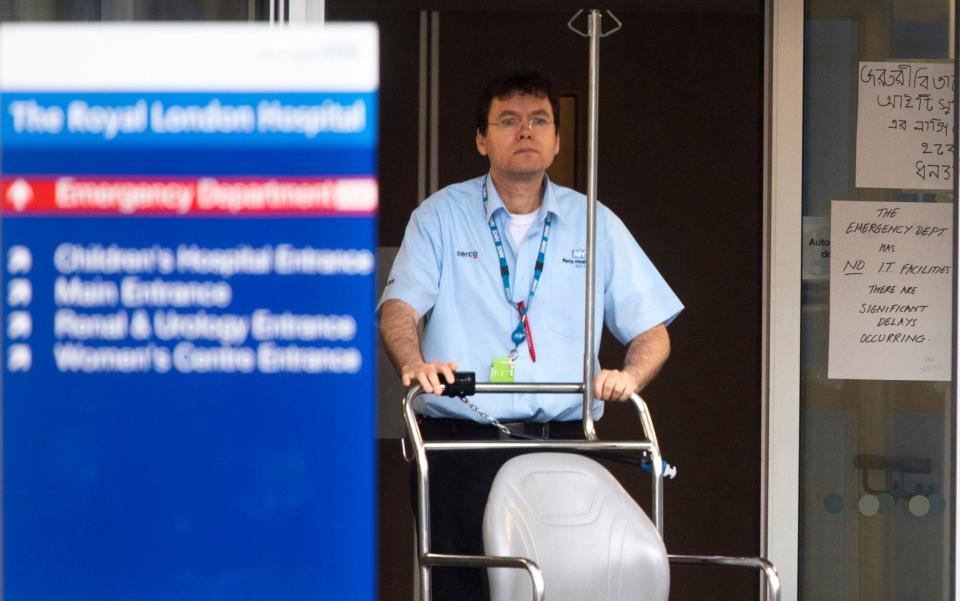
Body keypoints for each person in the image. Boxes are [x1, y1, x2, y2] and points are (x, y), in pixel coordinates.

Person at [378, 69, 683, 601]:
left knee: (566, 587)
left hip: (564, 446)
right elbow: (399, 310)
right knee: (463, 588)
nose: (526, 132)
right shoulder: (440, 217)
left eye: (539, 120)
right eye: (509, 121)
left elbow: (653, 332)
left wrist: (628, 376)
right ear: (482, 140)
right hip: (462, 446)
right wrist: (415, 362)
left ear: (557, 140)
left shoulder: (595, 222)